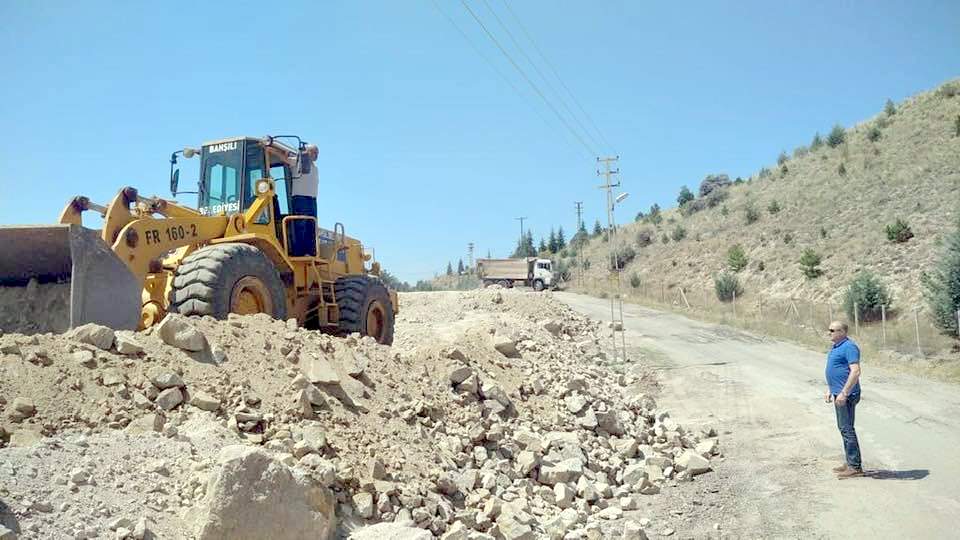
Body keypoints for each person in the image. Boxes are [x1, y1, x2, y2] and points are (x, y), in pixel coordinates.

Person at [825, 320, 863, 478]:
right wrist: (830, 389)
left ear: (843, 332)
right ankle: (850, 462)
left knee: (847, 429)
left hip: (846, 396)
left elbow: (855, 371)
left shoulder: (849, 347)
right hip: (838, 393)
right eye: (829, 330)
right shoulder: (836, 347)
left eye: (833, 330)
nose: (829, 332)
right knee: (844, 428)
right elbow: (837, 370)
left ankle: (855, 467)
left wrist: (844, 393)